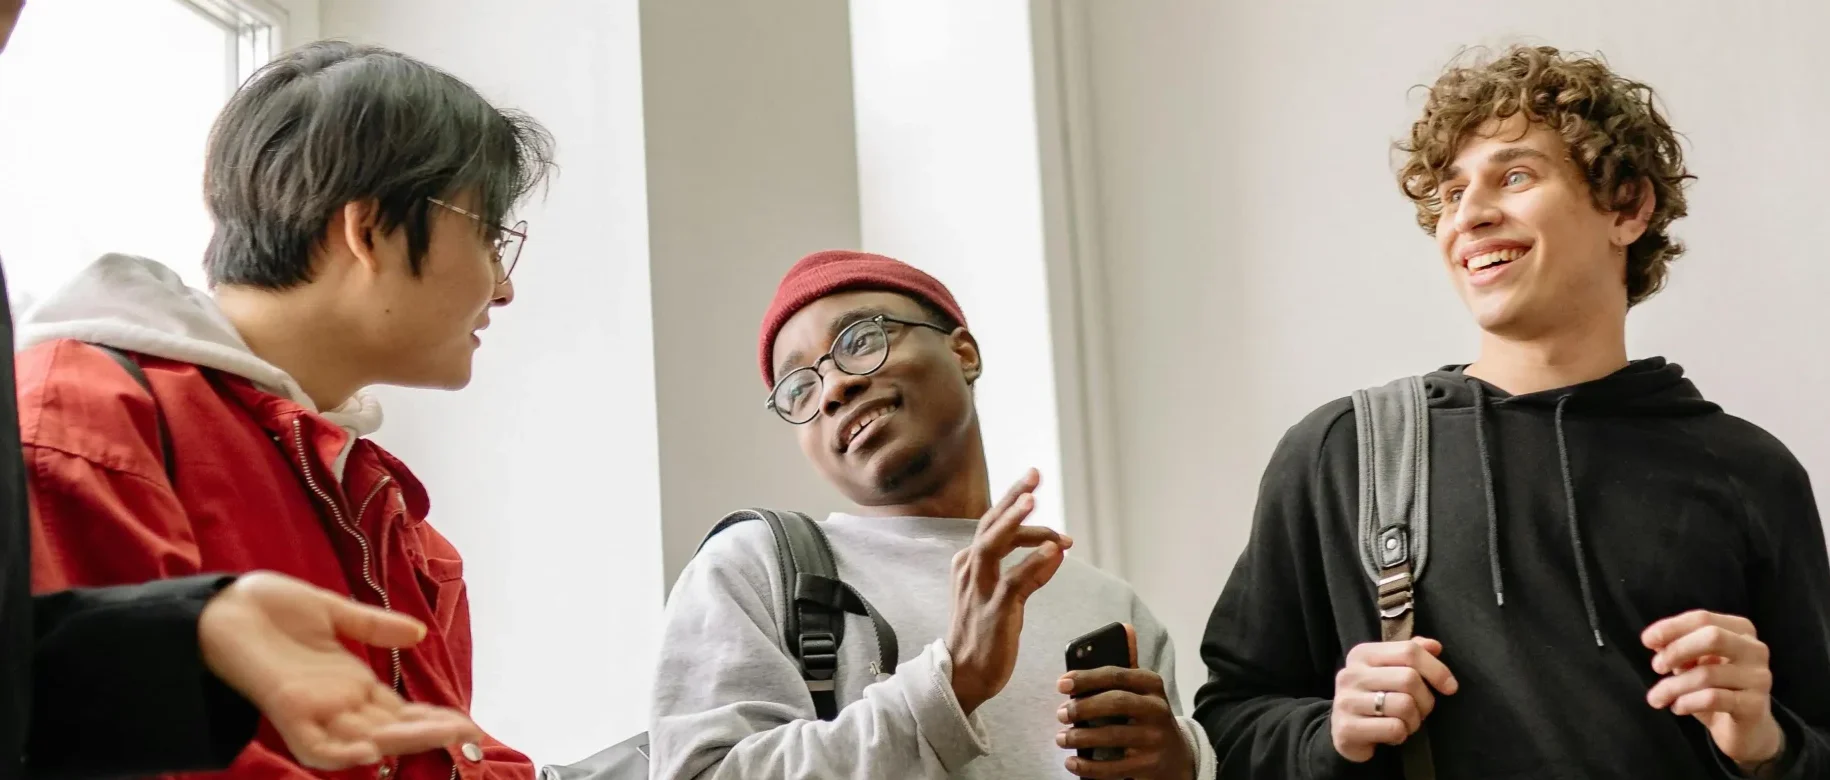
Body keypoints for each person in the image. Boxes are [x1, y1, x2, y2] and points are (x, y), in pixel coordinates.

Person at [1193, 45, 1830, 779]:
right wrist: (1327, 733)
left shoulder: (1750, 472)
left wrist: (1769, 746)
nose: (1469, 215)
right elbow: (1230, 721)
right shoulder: (1342, 453)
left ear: (1628, 207)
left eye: (1515, 175)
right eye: (1450, 193)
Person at [11, 34, 553, 780]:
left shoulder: (391, 514)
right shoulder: (89, 419)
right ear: (368, 230)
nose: (504, 287)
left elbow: (438, 753)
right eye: (492, 240)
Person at [647, 250, 1216, 780]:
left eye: (861, 339)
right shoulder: (753, 570)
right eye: (799, 389)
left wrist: (1185, 765)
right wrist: (950, 683)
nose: (834, 389)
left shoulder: (1110, 606)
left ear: (963, 352)